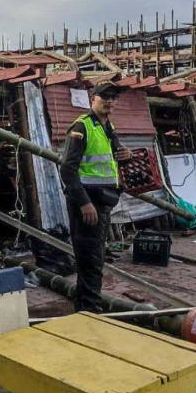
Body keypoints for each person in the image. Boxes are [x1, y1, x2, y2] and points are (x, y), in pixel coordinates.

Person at [60, 82, 132, 313]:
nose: (109, 101)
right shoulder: (82, 127)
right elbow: (67, 170)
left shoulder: (108, 127)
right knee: (91, 259)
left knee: (93, 257)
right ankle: (91, 311)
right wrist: (84, 203)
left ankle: (85, 308)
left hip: (102, 201)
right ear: (93, 98)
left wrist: (126, 155)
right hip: (87, 203)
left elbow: (113, 159)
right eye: (105, 97)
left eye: (113, 97)